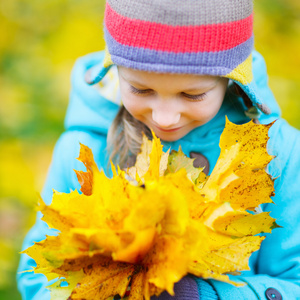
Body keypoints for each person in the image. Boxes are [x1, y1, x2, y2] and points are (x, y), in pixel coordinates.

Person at [17, 0, 300, 299]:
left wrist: (202, 294)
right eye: (141, 90)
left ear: (233, 81)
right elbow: (39, 276)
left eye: (192, 94)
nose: (165, 118)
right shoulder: (85, 149)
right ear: (114, 71)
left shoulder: (275, 154)